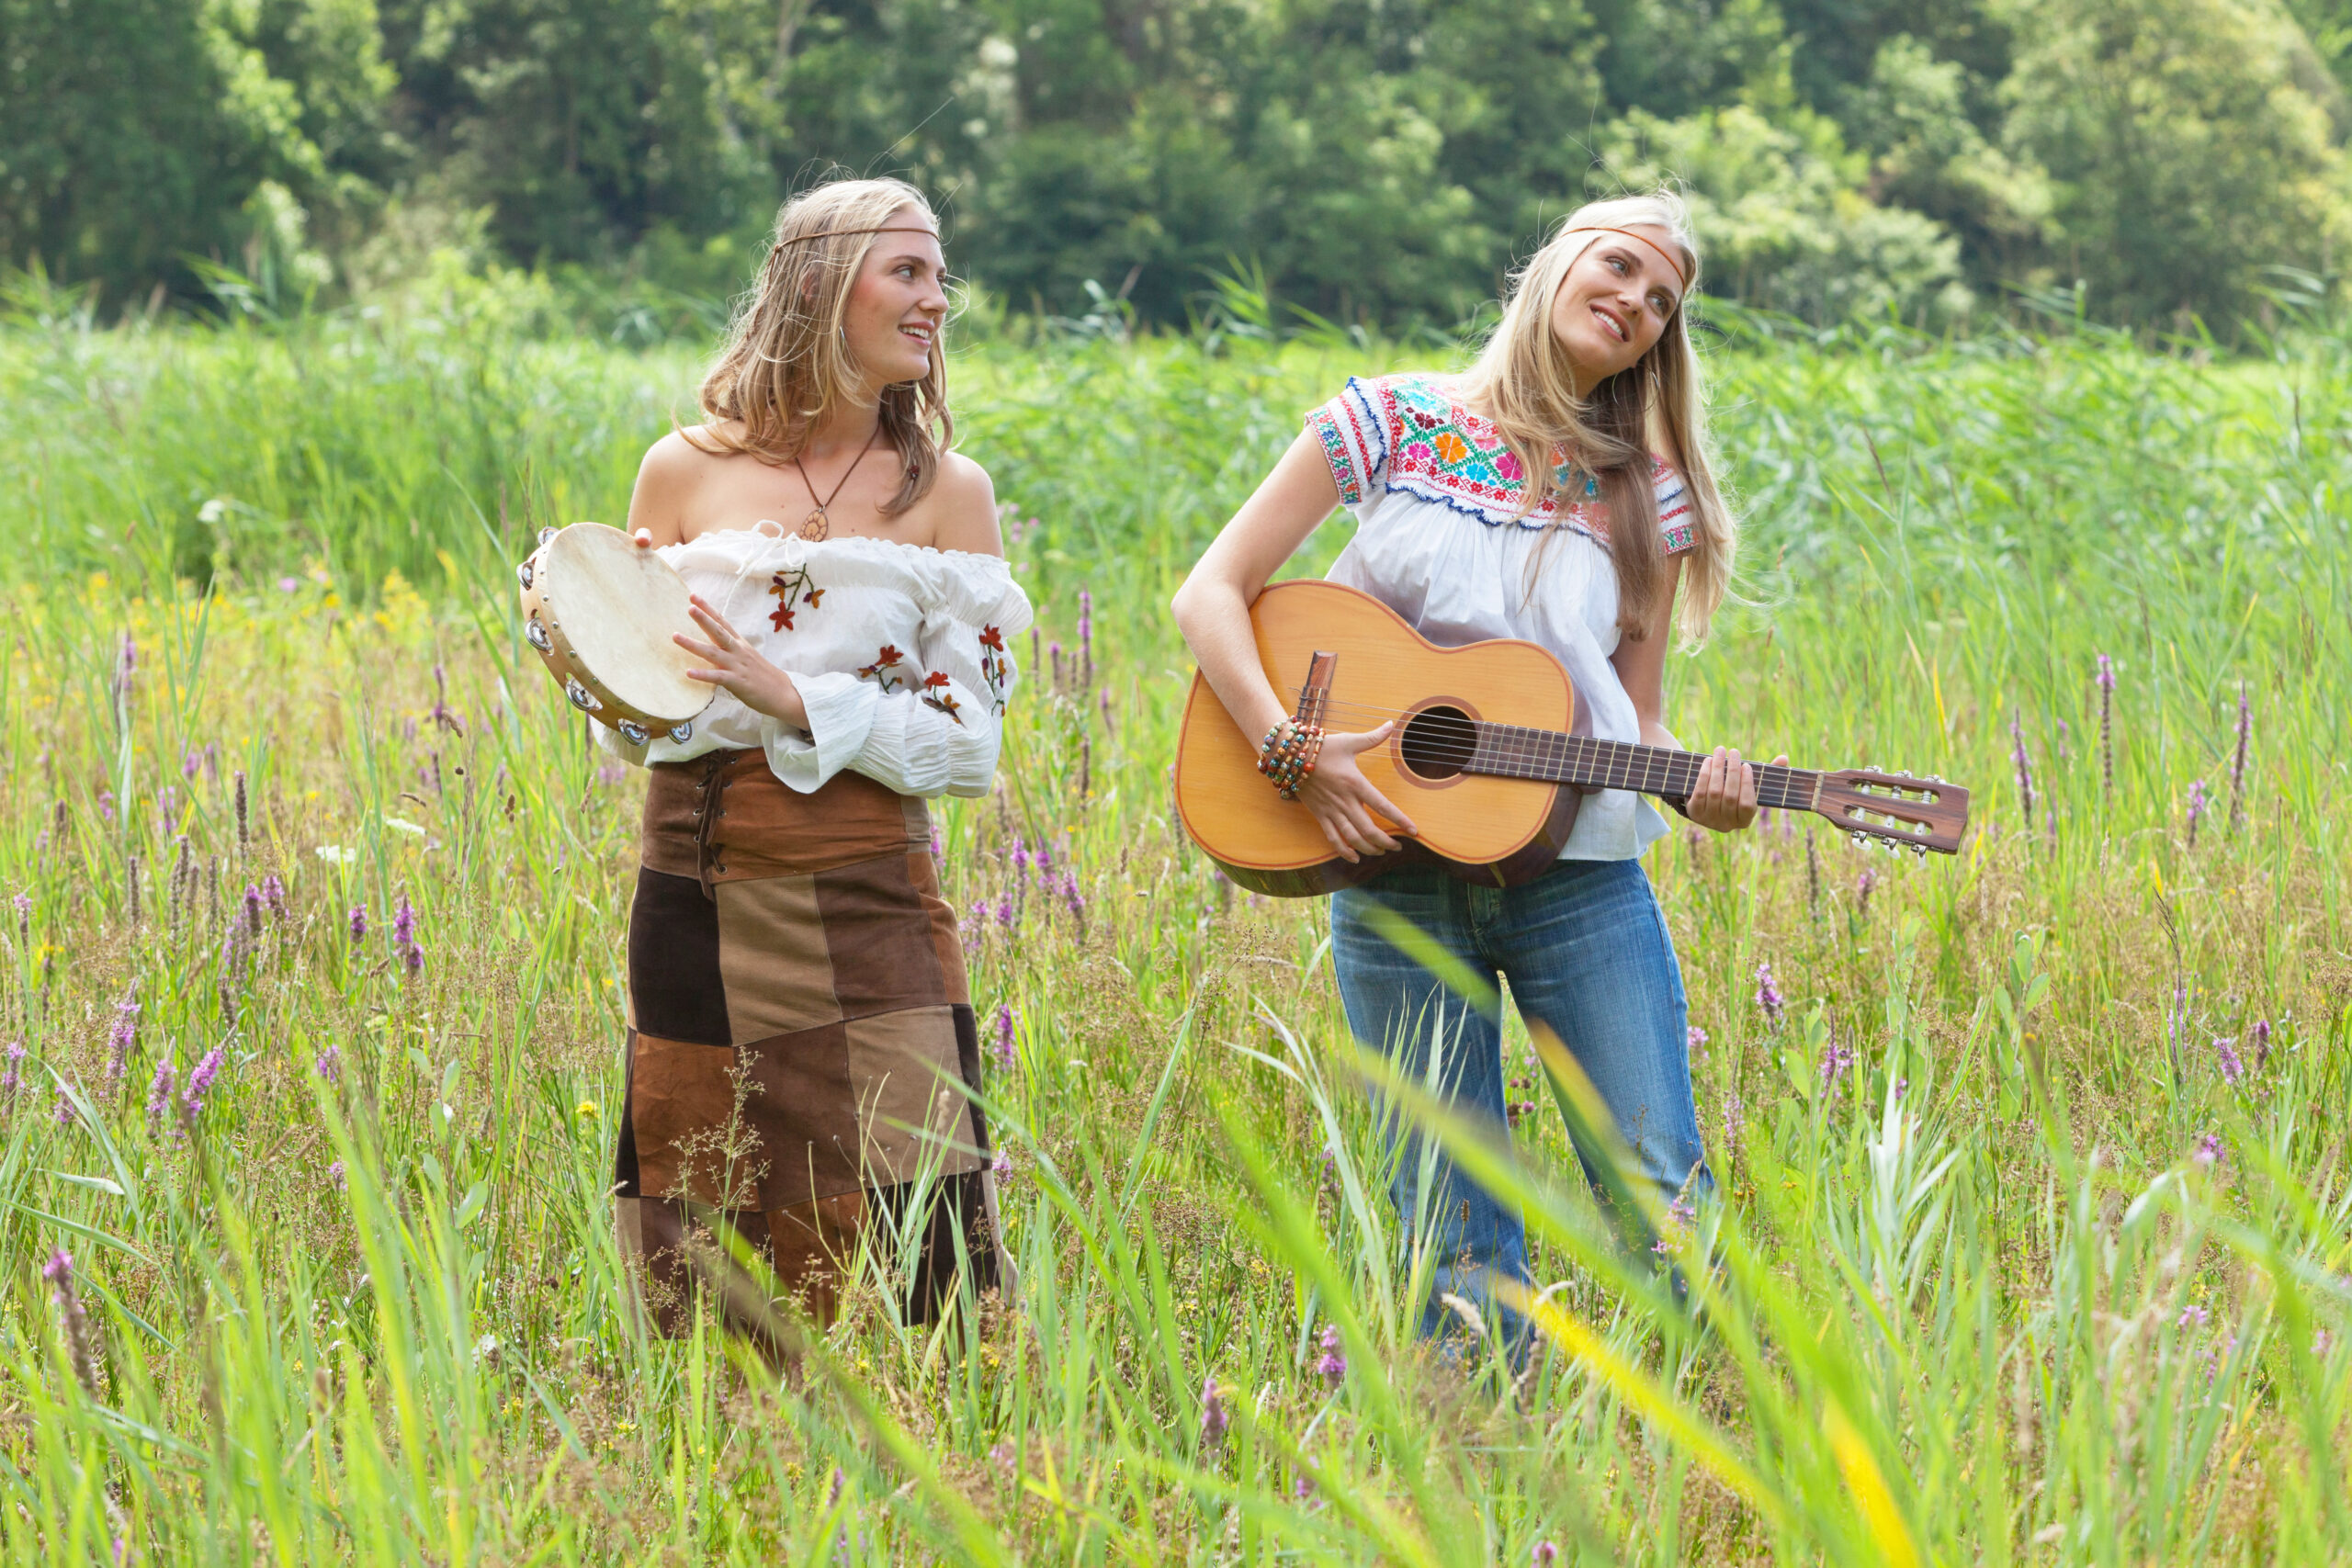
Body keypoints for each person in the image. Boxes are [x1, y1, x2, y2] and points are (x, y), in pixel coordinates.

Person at [1171, 191, 1769, 1349]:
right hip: (1385, 865)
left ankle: (1715, 1439)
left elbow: (1636, 721)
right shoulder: (1389, 419)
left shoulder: (1647, 494)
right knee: (1442, 1207)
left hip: (1579, 880)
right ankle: (1477, 1462)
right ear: (1553, 263)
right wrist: (1288, 750)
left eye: (1662, 304)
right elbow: (1211, 591)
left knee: (1657, 1182)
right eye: (1619, 268)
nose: (1636, 305)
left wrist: (1701, 786)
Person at [594, 175, 1025, 1345]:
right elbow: (634, 729)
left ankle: (933, 1459)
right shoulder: (679, 470)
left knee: (919, 1211)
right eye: (910, 271)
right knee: (707, 1198)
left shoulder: (948, 494)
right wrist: (595, 652)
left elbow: (970, 746)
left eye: (941, 274)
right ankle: (729, 1467)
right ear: (819, 281)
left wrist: (798, 698)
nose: (939, 299)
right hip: (694, 882)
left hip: (868, 886)